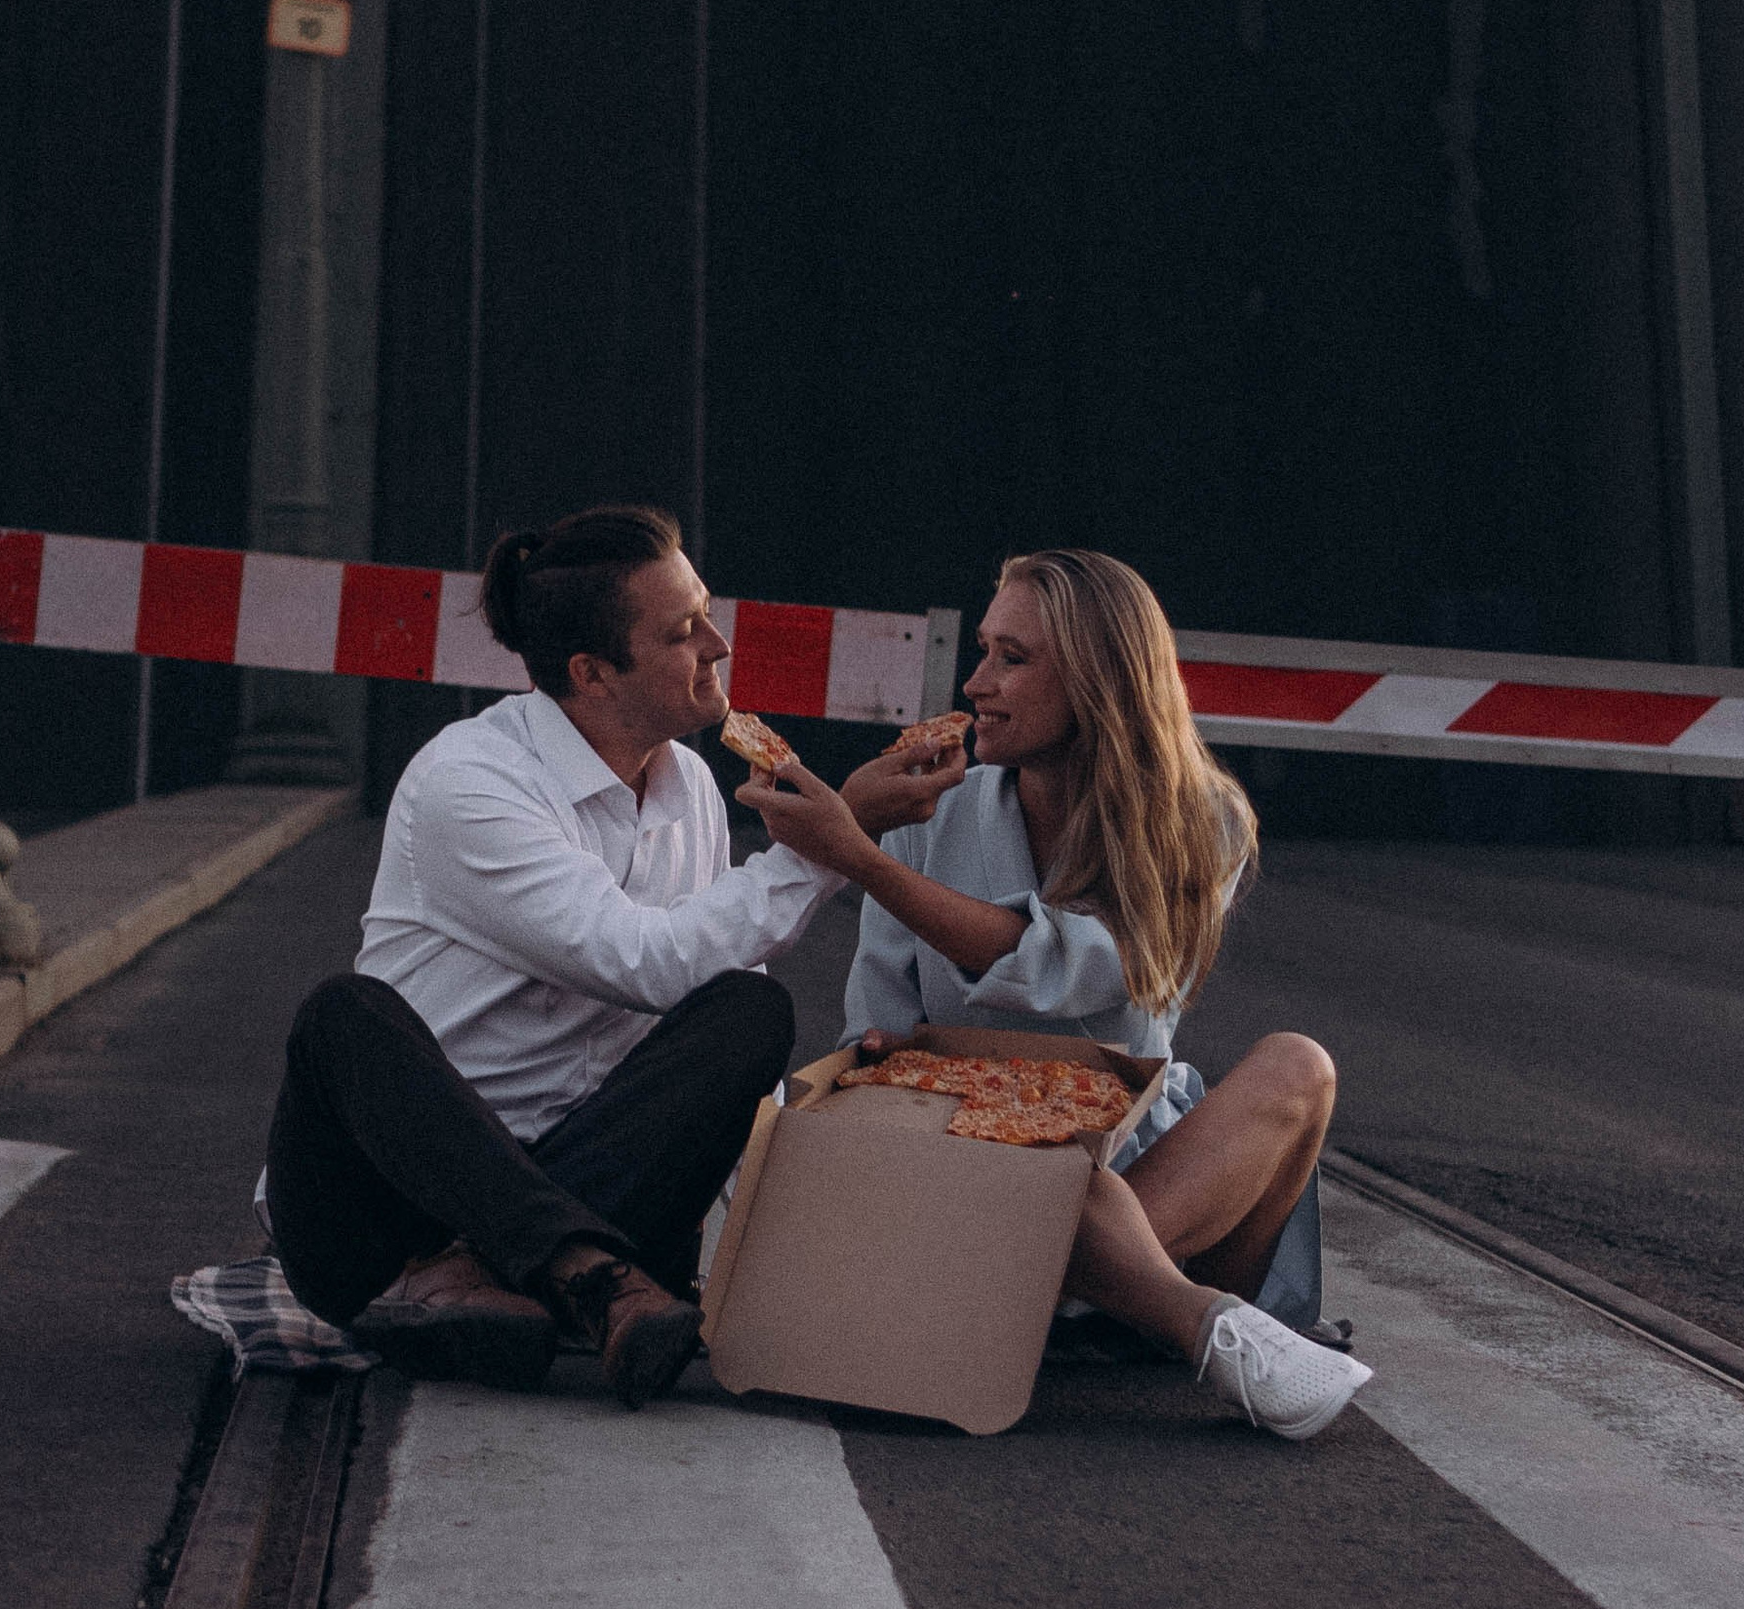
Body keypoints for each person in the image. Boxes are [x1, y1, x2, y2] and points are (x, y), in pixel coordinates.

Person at [256, 503, 951, 1410]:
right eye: (682, 631)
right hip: (390, 1218)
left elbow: (698, 1005)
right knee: (341, 1016)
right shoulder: (469, 782)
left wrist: (776, 1240)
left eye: (705, 611)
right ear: (592, 674)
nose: (718, 644)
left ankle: (509, 1275)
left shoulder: (692, 784)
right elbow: (642, 962)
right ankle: (565, 1273)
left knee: (749, 1009)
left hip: (590, 1182)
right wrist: (829, 846)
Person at [738, 547, 1366, 1444]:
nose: (976, 680)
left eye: (1013, 658)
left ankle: (1034, 1299)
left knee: (1298, 1067)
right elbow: (877, 1008)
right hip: (954, 1152)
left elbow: (1084, 967)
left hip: (1131, 1167)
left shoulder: (1205, 821)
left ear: (1102, 683)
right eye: (984, 648)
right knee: (1021, 1165)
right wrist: (883, 1052)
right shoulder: (934, 804)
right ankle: (1190, 1322)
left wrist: (859, 858)